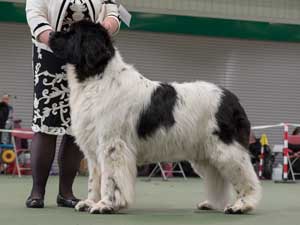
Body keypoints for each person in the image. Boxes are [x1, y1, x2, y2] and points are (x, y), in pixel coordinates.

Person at [25, 0, 121, 208]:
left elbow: (114, 12)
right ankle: (37, 191)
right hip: (50, 56)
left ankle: (66, 192)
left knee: (77, 128)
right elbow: (34, 14)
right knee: (45, 124)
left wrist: (106, 27)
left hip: (87, 60)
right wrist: (55, 40)